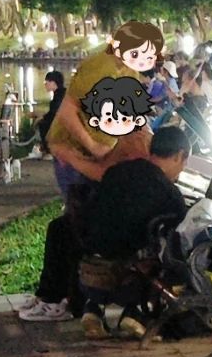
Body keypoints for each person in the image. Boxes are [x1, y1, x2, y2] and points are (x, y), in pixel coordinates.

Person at [77, 126, 189, 338]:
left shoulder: (117, 171)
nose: (181, 170)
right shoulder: (169, 192)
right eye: (184, 163)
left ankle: (93, 309)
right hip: (127, 269)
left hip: (90, 260)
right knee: (170, 256)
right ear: (178, 156)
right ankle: (136, 312)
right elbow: (178, 232)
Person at [46, 22, 164, 196]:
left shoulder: (129, 69)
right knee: (82, 208)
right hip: (78, 151)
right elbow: (67, 111)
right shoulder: (101, 67)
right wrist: (94, 147)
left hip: (105, 153)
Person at [34, 70, 66, 156]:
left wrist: (42, 117)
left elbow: (55, 113)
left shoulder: (59, 96)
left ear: (53, 83)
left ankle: (48, 150)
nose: (45, 85)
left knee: (43, 124)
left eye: (46, 82)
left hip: (62, 124)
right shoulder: (61, 93)